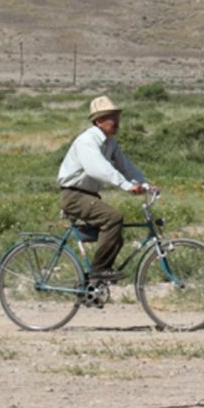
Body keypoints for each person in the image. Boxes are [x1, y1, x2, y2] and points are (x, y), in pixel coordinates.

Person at [56, 94, 149, 291]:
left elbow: (126, 167)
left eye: (116, 116)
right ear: (98, 121)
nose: (116, 121)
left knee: (115, 236)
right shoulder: (87, 141)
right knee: (113, 218)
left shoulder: (110, 143)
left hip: (88, 195)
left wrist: (144, 184)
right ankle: (99, 271)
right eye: (110, 117)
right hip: (74, 195)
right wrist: (126, 186)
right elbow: (97, 168)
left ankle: (92, 285)